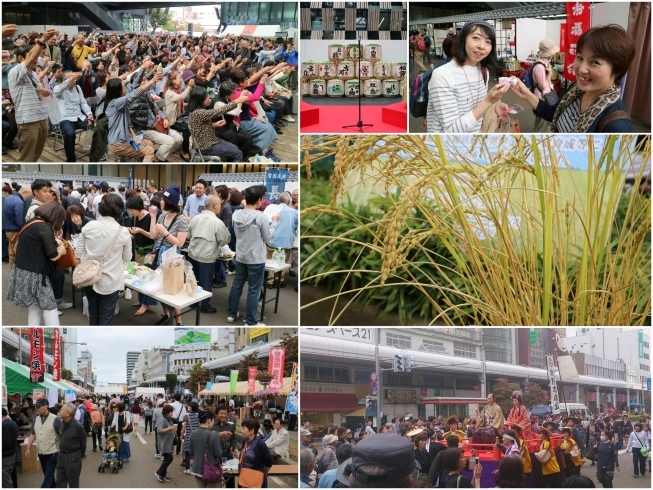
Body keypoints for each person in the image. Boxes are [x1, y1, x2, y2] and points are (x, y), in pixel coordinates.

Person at [510, 25, 636, 132]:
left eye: (595, 62)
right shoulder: (576, 89)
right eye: (580, 57)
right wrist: (526, 93)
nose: (581, 69)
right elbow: (553, 113)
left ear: (617, 70)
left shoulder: (617, 126)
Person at [427, 20, 510, 133]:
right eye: (476, 38)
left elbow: (476, 106)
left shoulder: (483, 70)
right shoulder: (442, 75)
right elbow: (451, 132)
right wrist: (488, 101)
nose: (481, 46)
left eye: (488, 41)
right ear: (463, 39)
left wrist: (493, 107)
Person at [6, 200, 67, 326]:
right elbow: (53, 256)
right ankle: (56, 334)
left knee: (35, 308)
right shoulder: (44, 228)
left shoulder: (32, 222)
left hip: (23, 271)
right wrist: (61, 250)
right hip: (36, 275)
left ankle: (35, 331)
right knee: (50, 309)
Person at [74, 193, 131, 325]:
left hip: (89, 278)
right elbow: (127, 258)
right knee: (106, 318)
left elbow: (78, 253)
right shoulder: (123, 231)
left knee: (93, 315)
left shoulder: (88, 226)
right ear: (119, 210)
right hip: (110, 280)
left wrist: (78, 276)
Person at [227, 185, 279, 326]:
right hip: (256, 258)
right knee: (254, 290)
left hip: (241, 256)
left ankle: (231, 314)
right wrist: (274, 222)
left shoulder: (236, 214)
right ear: (259, 200)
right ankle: (250, 321)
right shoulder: (260, 217)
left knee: (237, 285)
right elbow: (268, 237)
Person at [8, 29, 58, 162]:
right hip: (28, 121)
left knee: (35, 155)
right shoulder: (15, 71)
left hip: (42, 118)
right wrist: (42, 41)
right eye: (32, 55)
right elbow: (30, 60)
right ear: (20, 58)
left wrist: (45, 92)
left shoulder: (34, 73)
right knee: (27, 158)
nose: (36, 59)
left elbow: (39, 91)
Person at [104, 65, 160, 161]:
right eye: (122, 88)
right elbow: (134, 93)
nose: (125, 89)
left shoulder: (121, 102)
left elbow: (134, 86)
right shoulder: (115, 103)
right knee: (149, 150)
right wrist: (152, 81)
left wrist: (142, 68)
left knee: (149, 144)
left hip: (126, 138)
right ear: (117, 91)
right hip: (118, 144)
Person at [150, 185, 188, 325]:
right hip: (159, 253)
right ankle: (167, 314)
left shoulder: (181, 219)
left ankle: (178, 320)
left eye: (163, 199)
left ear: (170, 201)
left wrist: (165, 232)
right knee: (159, 288)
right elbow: (154, 235)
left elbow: (179, 243)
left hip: (171, 257)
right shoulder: (162, 215)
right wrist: (153, 217)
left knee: (172, 290)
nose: (160, 202)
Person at [187, 194, 231, 313]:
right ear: (215, 205)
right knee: (206, 282)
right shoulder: (217, 222)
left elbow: (188, 235)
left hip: (192, 253)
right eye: (219, 205)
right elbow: (224, 240)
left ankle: (193, 302)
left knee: (193, 279)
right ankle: (205, 306)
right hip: (206, 256)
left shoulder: (195, 218)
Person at [187, 86, 249, 161]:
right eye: (207, 96)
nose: (209, 97)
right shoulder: (198, 113)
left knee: (235, 148)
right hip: (206, 146)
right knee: (238, 153)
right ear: (201, 100)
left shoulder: (195, 111)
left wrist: (215, 125)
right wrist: (238, 100)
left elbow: (199, 127)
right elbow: (219, 111)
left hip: (211, 141)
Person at [125, 195, 159, 316]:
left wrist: (140, 230)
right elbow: (134, 235)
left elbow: (152, 236)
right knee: (139, 277)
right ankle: (141, 301)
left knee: (147, 279)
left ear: (138, 207)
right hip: (138, 250)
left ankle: (146, 304)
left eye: (131, 209)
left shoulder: (150, 217)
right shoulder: (135, 217)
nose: (130, 212)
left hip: (149, 252)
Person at [265, 192, 298, 289]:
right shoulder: (293, 212)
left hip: (272, 239)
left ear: (278, 200)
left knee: (270, 260)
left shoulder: (271, 209)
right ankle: (279, 280)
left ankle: (269, 281)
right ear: (288, 201)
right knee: (284, 261)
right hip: (286, 241)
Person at [529, 39, 560, 132]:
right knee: (540, 122)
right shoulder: (539, 66)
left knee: (548, 121)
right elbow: (543, 85)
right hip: (542, 98)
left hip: (545, 96)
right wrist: (549, 73)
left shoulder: (544, 62)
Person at [55, 402, 87, 488]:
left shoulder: (78, 426)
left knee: (73, 482)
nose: (60, 411)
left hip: (73, 456)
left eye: (62, 410)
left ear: (68, 413)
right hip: (61, 455)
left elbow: (83, 443)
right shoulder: (62, 423)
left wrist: (80, 455)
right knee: (60, 481)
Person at [236, 418, 273, 488]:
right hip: (244, 478)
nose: (241, 431)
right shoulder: (245, 441)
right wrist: (239, 454)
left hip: (255, 479)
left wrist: (262, 473)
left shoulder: (260, 444)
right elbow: (244, 454)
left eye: (244, 429)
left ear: (252, 431)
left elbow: (269, 462)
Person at [189, 409, 222, 487]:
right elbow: (219, 453)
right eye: (213, 420)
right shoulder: (214, 434)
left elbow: (190, 451)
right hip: (211, 469)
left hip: (197, 468)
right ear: (209, 420)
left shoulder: (193, 433)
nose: (213, 423)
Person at [3, 184, 32, 270]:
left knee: (11, 254)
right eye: (29, 195)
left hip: (8, 230)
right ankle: (17, 275)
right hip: (16, 230)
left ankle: (12, 273)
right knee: (18, 254)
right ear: (25, 192)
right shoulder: (19, 202)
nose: (28, 198)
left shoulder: (8, 198)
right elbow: (20, 219)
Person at [155, 404, 177, 483]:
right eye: (170, 411)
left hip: (168, 442)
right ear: (166, 412)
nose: (171, 413)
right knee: (169, 458)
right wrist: (171, 428)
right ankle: (159, 472)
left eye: (172, 411)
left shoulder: (169, 419)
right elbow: (159, 430)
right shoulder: (162, 419)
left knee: (166, 458)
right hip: (164, 442)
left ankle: (163, 476)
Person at [181, 401, 201, 475]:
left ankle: (187, 469)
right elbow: (199, 426)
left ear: (191, 407)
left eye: (189, 406)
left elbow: (184, 427)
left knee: (187, 452)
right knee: (196, 453)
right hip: (197, 436)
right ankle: (196, 468)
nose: (188, 407)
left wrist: (181, 435)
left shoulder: (186, 416)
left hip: (188, 436)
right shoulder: (199, 415)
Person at [2, 407, 19, 488]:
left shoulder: (5, 425)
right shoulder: (12, 423)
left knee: (4, 476)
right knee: (9, 474)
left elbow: (6, 442)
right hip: (12, 453)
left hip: (6, 455)